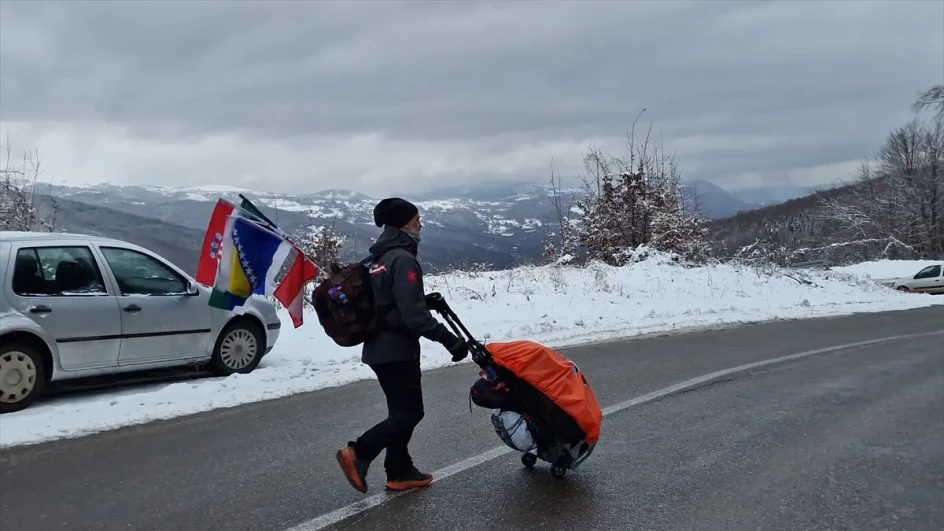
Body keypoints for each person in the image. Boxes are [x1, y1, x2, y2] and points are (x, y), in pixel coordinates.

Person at [336, 197, 470, 494]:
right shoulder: (402, 258)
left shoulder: (376, 259)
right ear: (402, 223)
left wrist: (425, 300)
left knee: (401, 412)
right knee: (410, 413)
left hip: (377, 349)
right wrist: (450, 340)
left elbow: (389, 303)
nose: (420, 222)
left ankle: (399, 470)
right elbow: (413, 317)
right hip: (396, 350)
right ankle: (359, 452)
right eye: (415, 218)